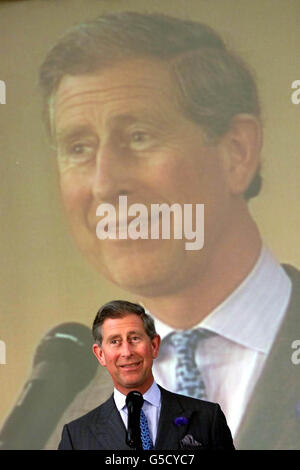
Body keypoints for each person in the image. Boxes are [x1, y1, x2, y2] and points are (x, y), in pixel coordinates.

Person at [39, 12, 300, 449]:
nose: (104, 185)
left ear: (236, 153)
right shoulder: (67, 420)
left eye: (139, 136)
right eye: (79, 148)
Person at [58, 300, 235, 450]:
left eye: (134, 338)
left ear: (154, 346)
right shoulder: (77, 436)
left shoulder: (207, 419)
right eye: (115, 342)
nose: (127, 352)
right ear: (100, 354)